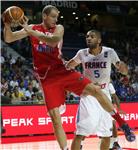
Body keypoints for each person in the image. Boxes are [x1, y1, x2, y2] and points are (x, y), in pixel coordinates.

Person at [3, 6, 135, 150]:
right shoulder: (32, 28)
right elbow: (8, 38)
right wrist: (7, 24)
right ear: (45, 16)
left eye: (56, 17)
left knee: (96, 90)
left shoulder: (58, 28)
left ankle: (122, 124)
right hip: (47, 78)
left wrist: (30, 31)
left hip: (62, 71)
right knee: (55, 118)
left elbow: (53, 41)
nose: (55, 19)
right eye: (53, 16)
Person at [66, 30, 136, 150]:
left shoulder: (109, 52)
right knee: (80, 133)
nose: (88, 38)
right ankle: (122, 123)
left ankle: (121, 125)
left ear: (99, 40)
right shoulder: (82, 53)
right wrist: (65, 65)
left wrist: (124, 69)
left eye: (92, 37)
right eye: (87, 36)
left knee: (106, 134)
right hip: (89, 94)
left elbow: (123, 70)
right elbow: (68, 66)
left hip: (104, 93)